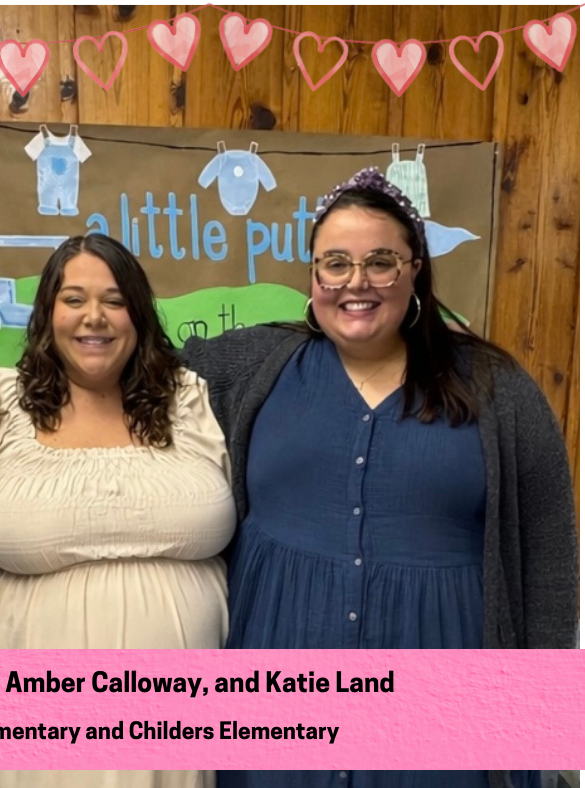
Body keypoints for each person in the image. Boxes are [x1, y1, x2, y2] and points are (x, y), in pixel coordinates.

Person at [182, 168, 577, 788]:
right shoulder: (252, 365)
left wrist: (544, 719)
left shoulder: (496, 387)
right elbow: (128, 368)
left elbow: (549, 551)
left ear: (415, 268)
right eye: (334, 263)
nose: (355, 283)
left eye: (380, 261)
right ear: (312, 277)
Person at [0, 234, 236, 788]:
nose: (93, 317)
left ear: (139, 315)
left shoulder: (192, 399)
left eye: (114, 300)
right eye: (73, 299)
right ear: (47, 312)